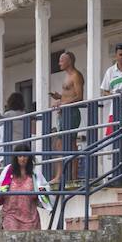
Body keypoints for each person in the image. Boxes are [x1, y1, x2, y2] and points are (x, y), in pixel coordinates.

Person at [49, 50, 85, 184]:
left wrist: (62, 103)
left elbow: (80, 96)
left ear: (69, 61)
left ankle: (70, 176)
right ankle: (63, 175)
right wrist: (59, 97)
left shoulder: (76, 75)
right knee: (61, 144)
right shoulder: (66, 76)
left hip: (72, 113)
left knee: (68, 144)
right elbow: (70, 94)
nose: (59, 63)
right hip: (64, 113)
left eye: (61, 60)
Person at [1, 145, 43, 231]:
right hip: (10, 214)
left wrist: (41, 193)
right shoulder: (8, 171)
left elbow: (43, 189)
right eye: (20, 156)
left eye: (25, 156)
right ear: (16, 158)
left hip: (31, 217)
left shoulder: (34, 173)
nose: (23, 159)